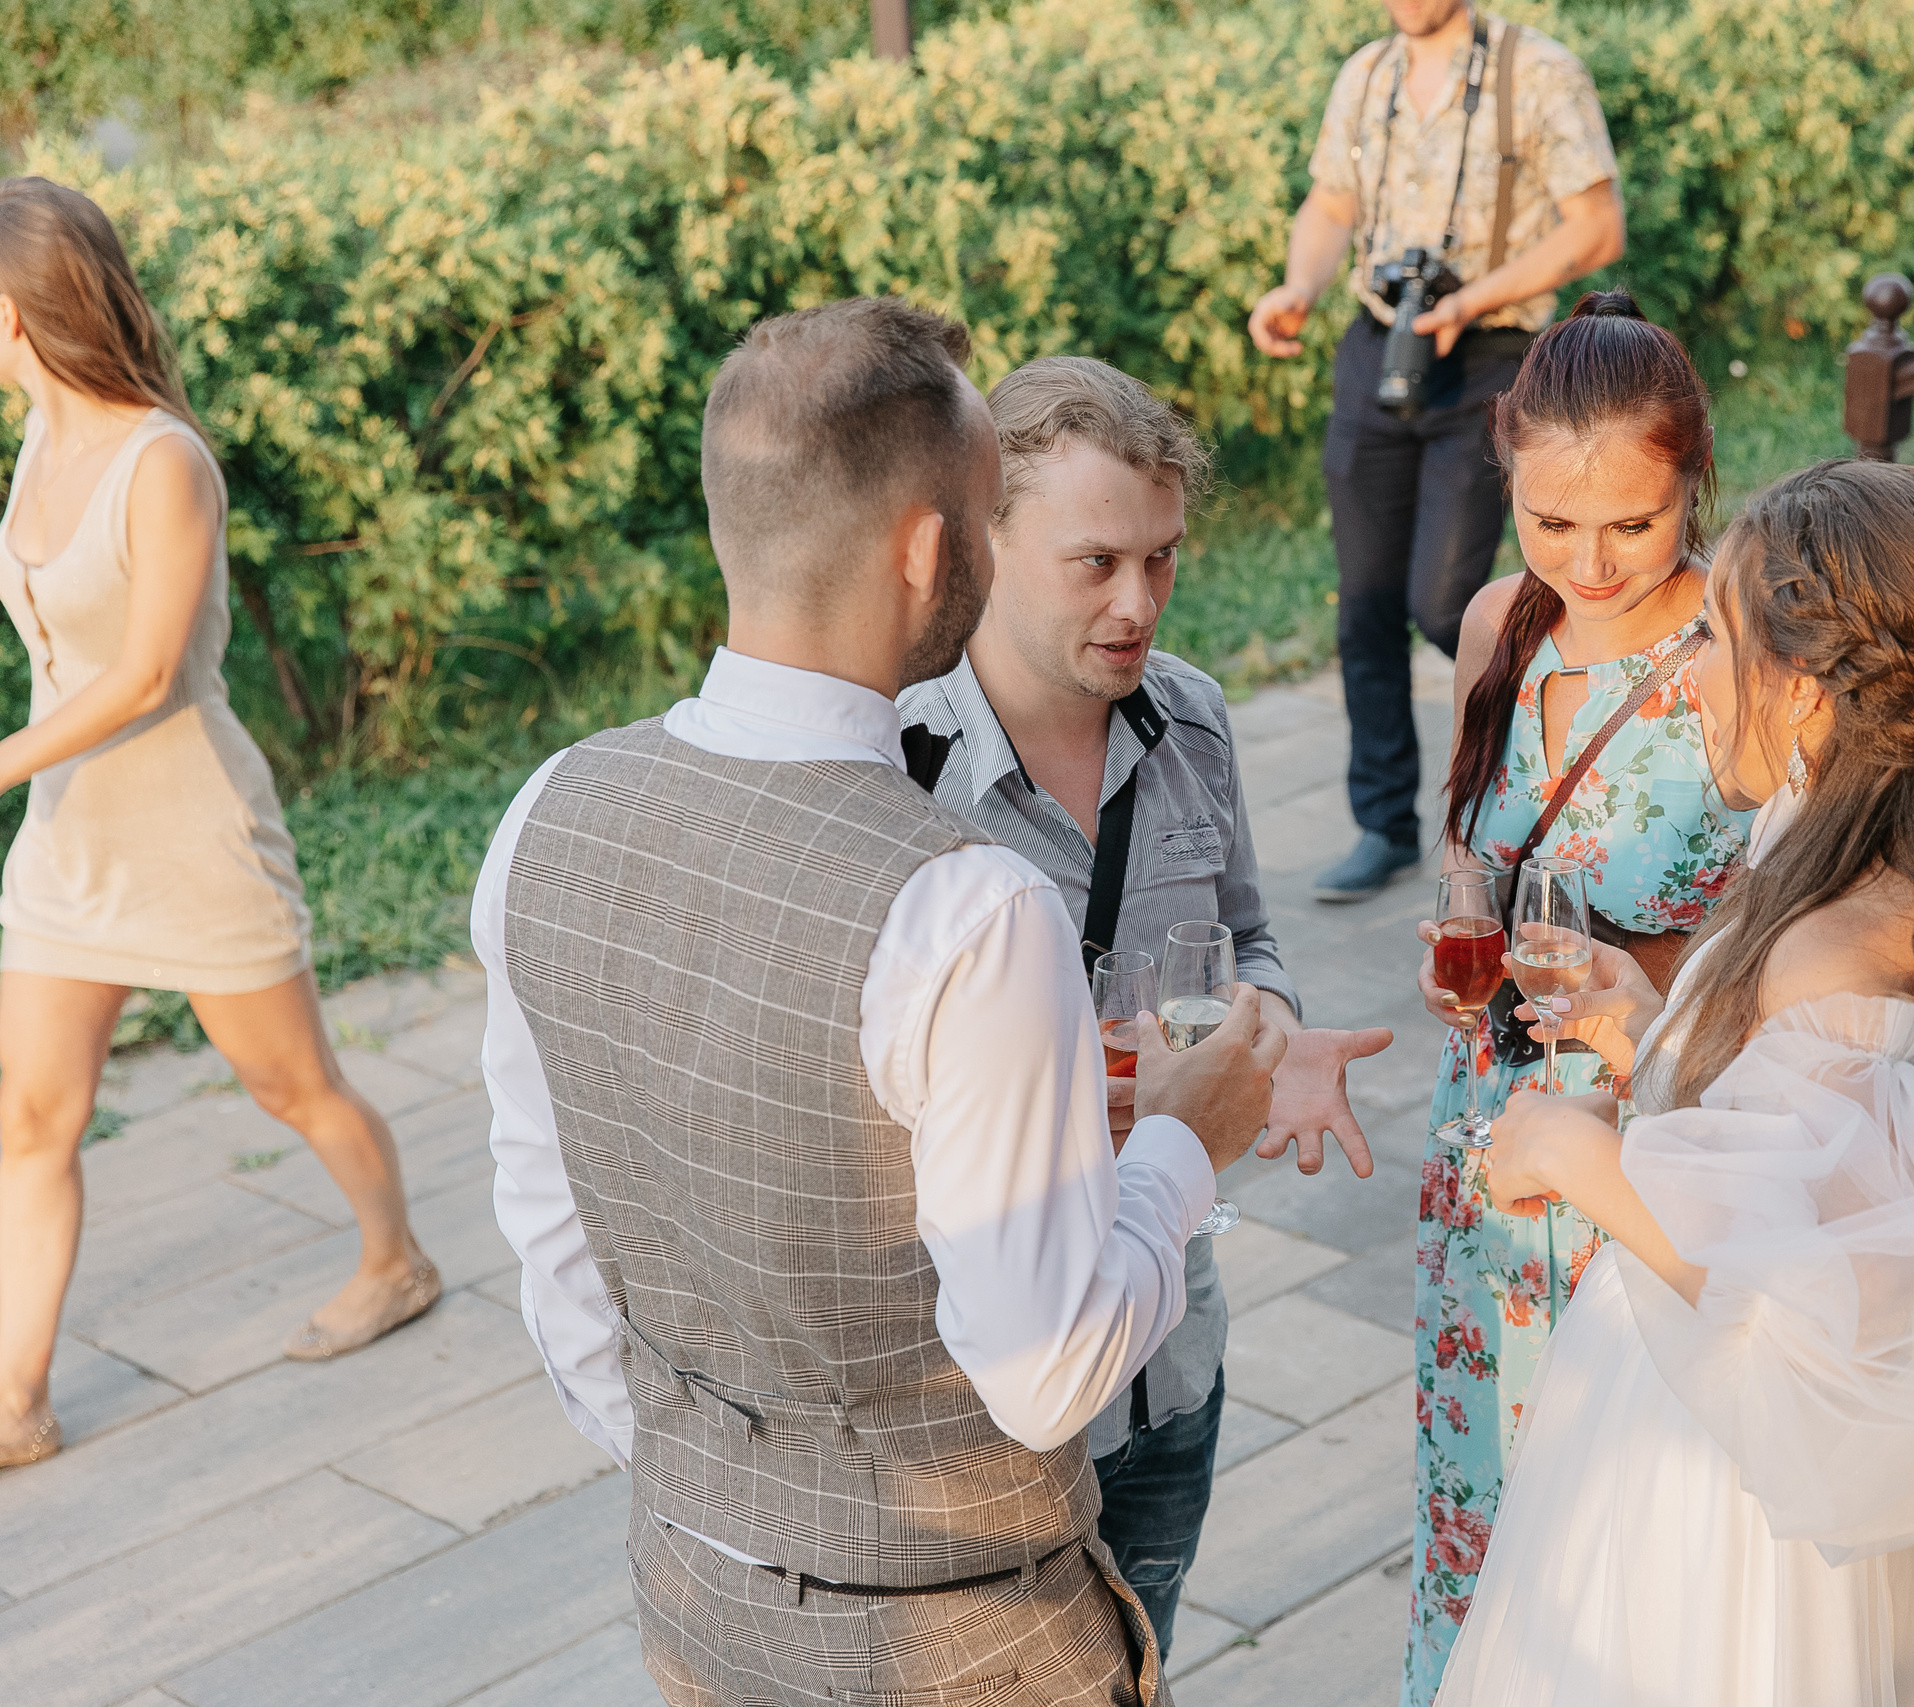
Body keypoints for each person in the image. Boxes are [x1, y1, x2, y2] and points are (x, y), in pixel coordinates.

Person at [479, 298, 1287, 1703]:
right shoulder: (968, 905)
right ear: (934, 550)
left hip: (689, 1585)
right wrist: (1180, 1138)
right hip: (968, 1636)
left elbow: (552, 1238)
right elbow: (1046, 1375)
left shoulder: (546, 809)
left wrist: (724, 1494)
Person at [1437, 458, 1914, 1705]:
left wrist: (1568, 1152)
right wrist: (1656, 1040)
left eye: (1713, 635)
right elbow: (1838, 1162)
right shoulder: (1901, 858)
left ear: (1802, 690)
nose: (1688, 669)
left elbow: (1813, 1300)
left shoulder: (1833, 949)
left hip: (1730, 1499)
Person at [898, 353, 1393, 1654]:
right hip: (980, 1400)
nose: (1140, 602)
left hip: (1169, 1348)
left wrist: (1268, 1023)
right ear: (986, 541)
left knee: (1138, 1662)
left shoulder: (1198, 722)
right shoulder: (896, 769)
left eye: (1163, 558)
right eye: (1096, 561)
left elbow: (1253, 934)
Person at [0, 178, 436, 1471]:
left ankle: (396, 1256)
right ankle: (16, 1397)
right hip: (73, 847)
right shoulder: (35, 439)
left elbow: (144, 675)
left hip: (192, 835)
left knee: (289, 1081)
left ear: (30, 312)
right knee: (30, 1117)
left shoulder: (162, 459)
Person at [1400, 293, 1751, 1704]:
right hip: (1481, 1153)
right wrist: (1463, 922)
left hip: (1643, 1156)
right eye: (1553, 522)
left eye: (1633, 522)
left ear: (1694, 484)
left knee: (1620, 1561)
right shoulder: (1499, 623)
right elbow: (1472, 841)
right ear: (1508, 478)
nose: (1590, 562)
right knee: (1473, 1522)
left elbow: (1787, 952)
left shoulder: (1751, 657)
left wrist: (1634, 979)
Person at [1248, 0, 1625, 902]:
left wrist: (1468, 300)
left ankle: (1520, 792)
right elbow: (1331, 201)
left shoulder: (1536, 71)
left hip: (1489, 350)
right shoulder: (1366, 75)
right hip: (1378, 345)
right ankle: (1383, 824)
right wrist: (1298, 287)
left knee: (1445, 603)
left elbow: (1596, 228)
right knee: (1365, 606)